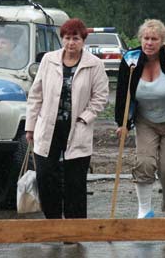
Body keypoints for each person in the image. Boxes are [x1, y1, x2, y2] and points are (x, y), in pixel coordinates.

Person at [25, 18, 109, 219]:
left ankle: (75, 228)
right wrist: (30, 126)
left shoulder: (94, 64)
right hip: (48, 126)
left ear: (83, 40)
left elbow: (101, 96)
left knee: (75, 180)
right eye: (67, 38)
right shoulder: (48, 60)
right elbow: (36, 94)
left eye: (76, 39)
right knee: (45, 175)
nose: (71, 43)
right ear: (61, 39)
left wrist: (85, 117)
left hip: (77, 127)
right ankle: (53, 221)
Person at [115, 19, 165, 218]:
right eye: (146, 38)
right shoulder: (130, 60)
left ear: (162, 41)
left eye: (154, 39)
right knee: (144, 163)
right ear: (140, 39)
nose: (149, 43)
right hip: (145, 121)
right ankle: (144, 210)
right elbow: (122, 92)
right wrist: (122, 123)